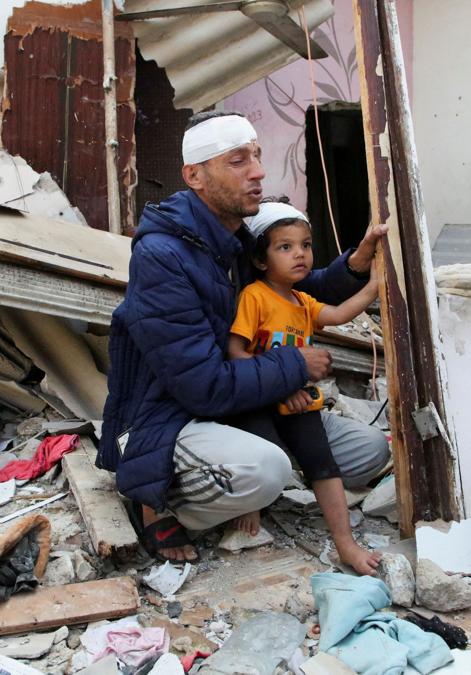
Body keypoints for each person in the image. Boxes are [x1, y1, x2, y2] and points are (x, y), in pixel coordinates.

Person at [97, 110, 389, 567]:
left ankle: (258, 472)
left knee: (369, 451)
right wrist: (293, 366)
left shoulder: (236, 237)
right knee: (265, 469)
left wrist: (357, 264)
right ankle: (158, 503)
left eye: (256, 156)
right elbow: (202, 387)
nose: (258, 172)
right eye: (237, 161)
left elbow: (297, 291)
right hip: (175, 413)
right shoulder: (162, 257)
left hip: (249, 399)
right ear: (194, 176)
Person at [224, 200, 381, 575]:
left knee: (323, 464)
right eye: (285, 247)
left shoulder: (302, 301)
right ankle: (252, 507)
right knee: (263, 455)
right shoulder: (254, 296)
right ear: (260, 260)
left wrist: (375, 285)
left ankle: (345, 543)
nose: (300, 254)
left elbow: (338, 314)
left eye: (306, 245)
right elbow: (235, 352)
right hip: (259, 401)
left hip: (300, 403)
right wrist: (280, 386)